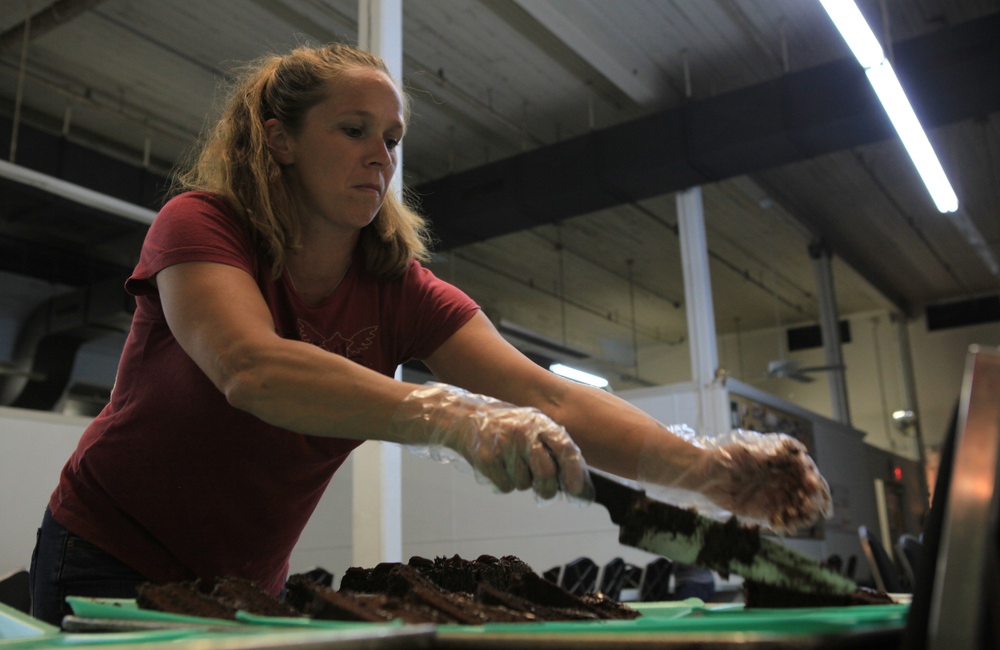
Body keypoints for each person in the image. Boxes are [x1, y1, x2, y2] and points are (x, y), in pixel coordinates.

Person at [28, 42, 832, 626]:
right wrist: (454, 412)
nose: (380, 154)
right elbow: (251, 368)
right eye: (353, 129)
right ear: (278, 138)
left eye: (392, 138)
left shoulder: (398, 290)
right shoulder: (201, 225)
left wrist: (708, 471)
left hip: (244, 583)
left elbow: (549, 395)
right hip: (106, 552)